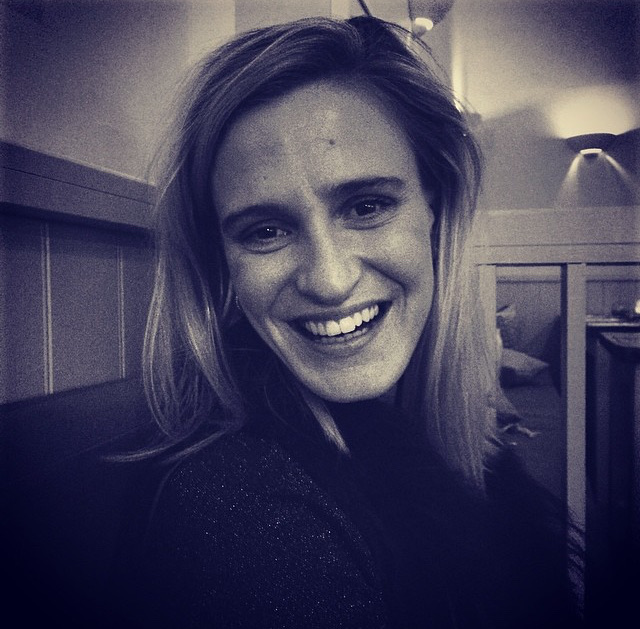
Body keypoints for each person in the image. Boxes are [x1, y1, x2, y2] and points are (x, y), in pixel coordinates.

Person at [110, 15, 582, 628]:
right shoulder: (247, 517)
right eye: (266, 231)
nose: (329, 280)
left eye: (367, 206)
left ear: (434, 208)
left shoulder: (434, 437)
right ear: (221, 263)